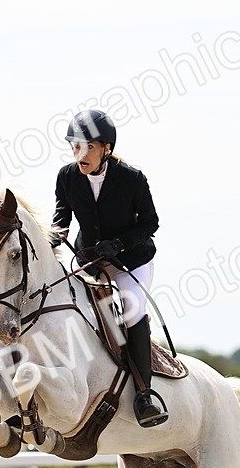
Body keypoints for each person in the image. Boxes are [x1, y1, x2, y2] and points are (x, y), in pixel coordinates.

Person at [50, 109, 167, 427]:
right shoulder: (67, 176)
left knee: (131, 310)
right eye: (75, 147)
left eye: (88, 147)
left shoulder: (131, 178)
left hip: (131, 261)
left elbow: (151, 224)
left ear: (106, 149)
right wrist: (51, 238)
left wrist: (119, 245)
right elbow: (62, 218)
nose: (80, 154)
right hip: (90, 259)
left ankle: (145, 395)